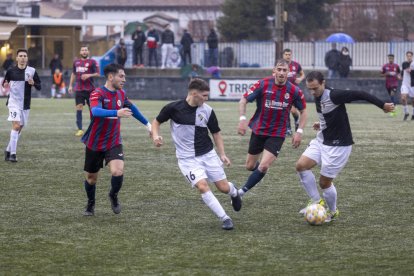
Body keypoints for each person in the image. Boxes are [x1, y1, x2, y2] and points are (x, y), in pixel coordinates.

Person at [296, 71, 395, 222]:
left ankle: (333, 211)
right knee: (301, 166)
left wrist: (382, 105)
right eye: (309, 89)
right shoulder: (318, 96)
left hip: (338, 145)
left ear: (323, 83)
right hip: (322, 139)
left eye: (315, 88)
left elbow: (361, 93)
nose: (312, 92)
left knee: (324, 183)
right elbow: (328, 113)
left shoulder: (335, 95)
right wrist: (321, 123)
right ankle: (317, 202)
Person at [151, 78, 242, 230]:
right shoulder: (173, 108)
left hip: (207, 154)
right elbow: (156, 122)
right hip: (187, 159)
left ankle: (234, 192)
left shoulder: (207, 110)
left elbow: (216, 133)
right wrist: (155, 136)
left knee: (223, 188)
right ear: (194, 93)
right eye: (204, 95)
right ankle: (225, 218)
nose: (207, 99)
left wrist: (222, 154)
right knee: (202, 186)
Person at [81, 63, 152, 216]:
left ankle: (113, 195)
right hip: (95, 142)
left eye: (124, 76)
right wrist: (116, 112)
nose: (124, 79)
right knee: (91, 179)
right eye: (121, 76)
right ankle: (90, 203)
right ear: (111, 77)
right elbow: (95, 111)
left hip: (113, 141)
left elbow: (133, 109)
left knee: (118, 171)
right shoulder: (97, 93)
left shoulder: (121, 94)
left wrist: (149, 125)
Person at [237, 59, 308, 197]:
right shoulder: (263, 84)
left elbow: (304, 111)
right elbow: (243, 100)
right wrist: (242, 119)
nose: (281, 72)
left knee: (264, 166)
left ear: (289, 73)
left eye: (284, 70)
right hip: (259, 130)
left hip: (277, 133)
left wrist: (299, 131)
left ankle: (240, 192)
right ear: (274, 71)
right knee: (250, 166)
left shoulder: (294, 90)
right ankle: (259, 174)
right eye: (279, 69)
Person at [2, 48, 41, 162]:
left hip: (25, 104)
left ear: (27, 58)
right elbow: (5, 82)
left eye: (25, 56)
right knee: (16, 126)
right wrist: (5, 84)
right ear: (17, 58)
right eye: (21, 56)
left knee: (20, 128)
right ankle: (13, 155)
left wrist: (33, 83)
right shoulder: (11, 71)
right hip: (13, 103)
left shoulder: (32, 71)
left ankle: (8, 149)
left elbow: (39, 87)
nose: (23, 58)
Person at [68, 46, 99, 137]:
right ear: (80, 52)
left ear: (88, 51)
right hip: (79, 89)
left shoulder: (92, 62)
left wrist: (88, 75)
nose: (84, 52)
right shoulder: (76, 62)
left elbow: (97, 73)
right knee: (79, 107)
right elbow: (73, 74)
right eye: (82, 50)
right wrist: (70, 85)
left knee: (92, 110)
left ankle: (93, 129)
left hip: (90, 90)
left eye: (86, 50)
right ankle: (80, 129)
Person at [283, 48, 305, 135]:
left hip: (294, 91)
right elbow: (274, 73)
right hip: (284, 90)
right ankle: (288, 129)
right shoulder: (280, 65)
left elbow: (302, 74)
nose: (288, 56)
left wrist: (300, 78)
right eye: (286, 54)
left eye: (289, 54)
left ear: (291, 55)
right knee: (286, 109)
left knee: (293, 111)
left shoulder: (296, 65)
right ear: (283, 55)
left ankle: (296, 120)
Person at [400, 51, 414, 121]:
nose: (409, 57)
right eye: (407, 56)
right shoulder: (404, 63)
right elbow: (407, 70)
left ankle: (413, 114)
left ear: (412, 56)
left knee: (413, 101)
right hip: (405, 84)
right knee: (403, 98)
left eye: (410, 56)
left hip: (412, 85)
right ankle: (406, 112)